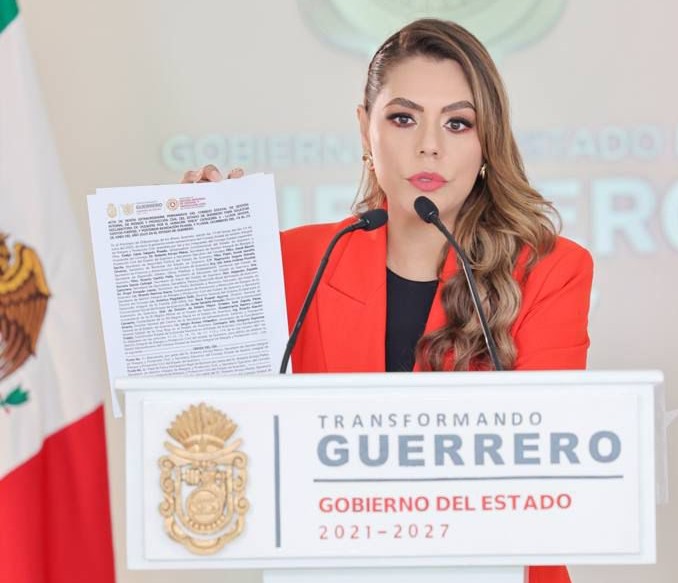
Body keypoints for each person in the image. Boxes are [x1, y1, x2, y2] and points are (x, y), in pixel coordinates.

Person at [184, 18, 592, 583]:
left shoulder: (550, 269)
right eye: (403, 118)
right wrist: (198, 255)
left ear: (487, 142)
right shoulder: (293, 260)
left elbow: (545, 460)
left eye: (457, 122)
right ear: (364, 130)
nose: (429, 145)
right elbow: (209, 422)